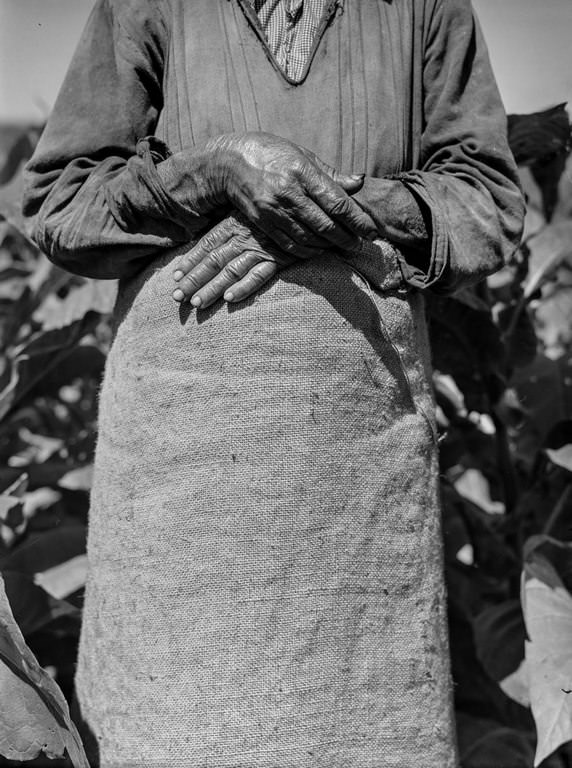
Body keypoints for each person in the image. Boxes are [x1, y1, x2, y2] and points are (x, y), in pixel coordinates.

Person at [23, 1, 524, 766]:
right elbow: (63, 202)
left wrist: (324, 208)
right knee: (170, 727)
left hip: (356, 478)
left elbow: (486, 203)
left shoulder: (427, 9)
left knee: (361, 729)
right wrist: (216, 171)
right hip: (182, 470)